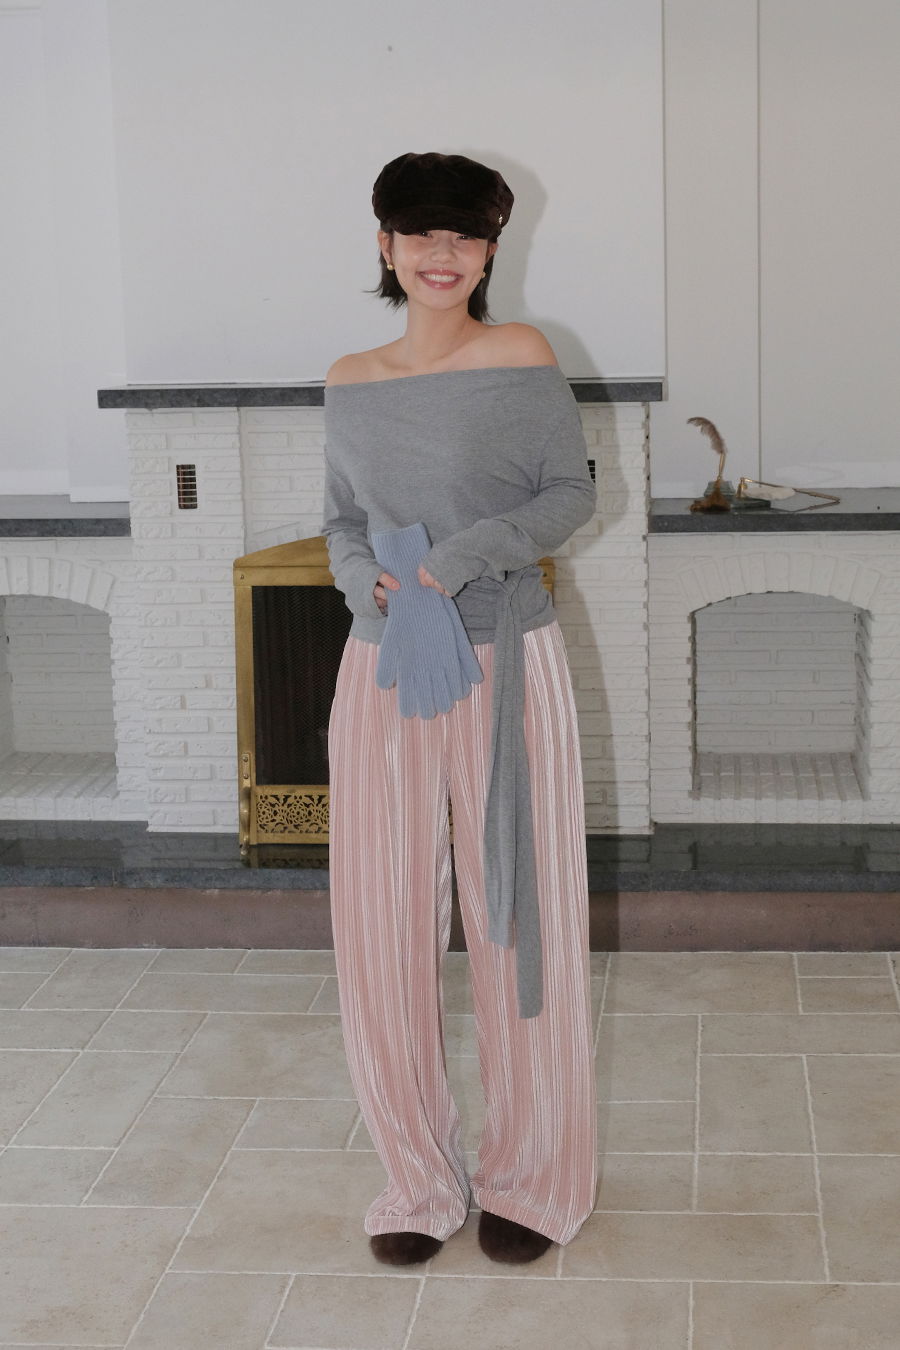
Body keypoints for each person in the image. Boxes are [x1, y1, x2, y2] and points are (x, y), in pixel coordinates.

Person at [322, 151, 597, 1268]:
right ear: (385, 245)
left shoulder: (520, 354)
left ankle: (534, 1175)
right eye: (421, 232)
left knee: (518, 914)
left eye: (466, 234)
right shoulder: (349, 375)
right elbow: (341, 519)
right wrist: (367, 582)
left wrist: (460, 558)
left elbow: (571, 493)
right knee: (379, 926)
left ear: (489, 250)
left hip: (505, 659)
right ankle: (416, 1179)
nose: (443, 254)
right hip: (382, 665)